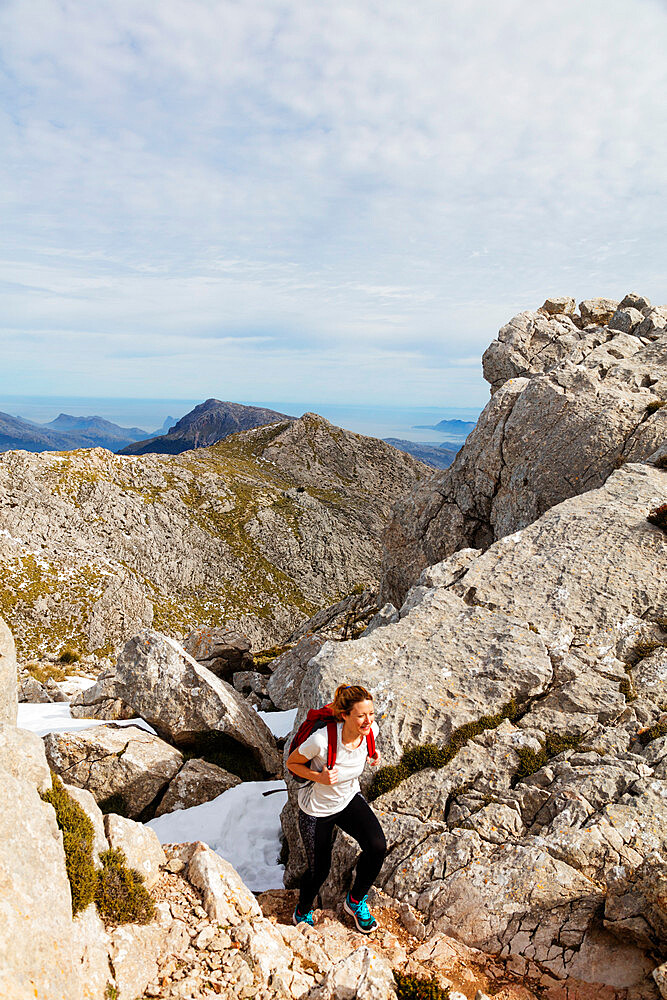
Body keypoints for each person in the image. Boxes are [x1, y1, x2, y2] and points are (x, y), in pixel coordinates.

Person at [286, 684, 387, 933]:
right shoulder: (321, 740)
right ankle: (303, 909)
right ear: (345, 716)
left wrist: (374, 755)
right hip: (317, 809)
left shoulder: (370, 731)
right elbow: (292, 763)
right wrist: (318, 777)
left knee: (377, 847)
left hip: (348, 799)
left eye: (370, 713)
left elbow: (365, 750)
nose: (368, 720)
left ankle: (355, 901)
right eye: (361, 715)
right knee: (320, 870)